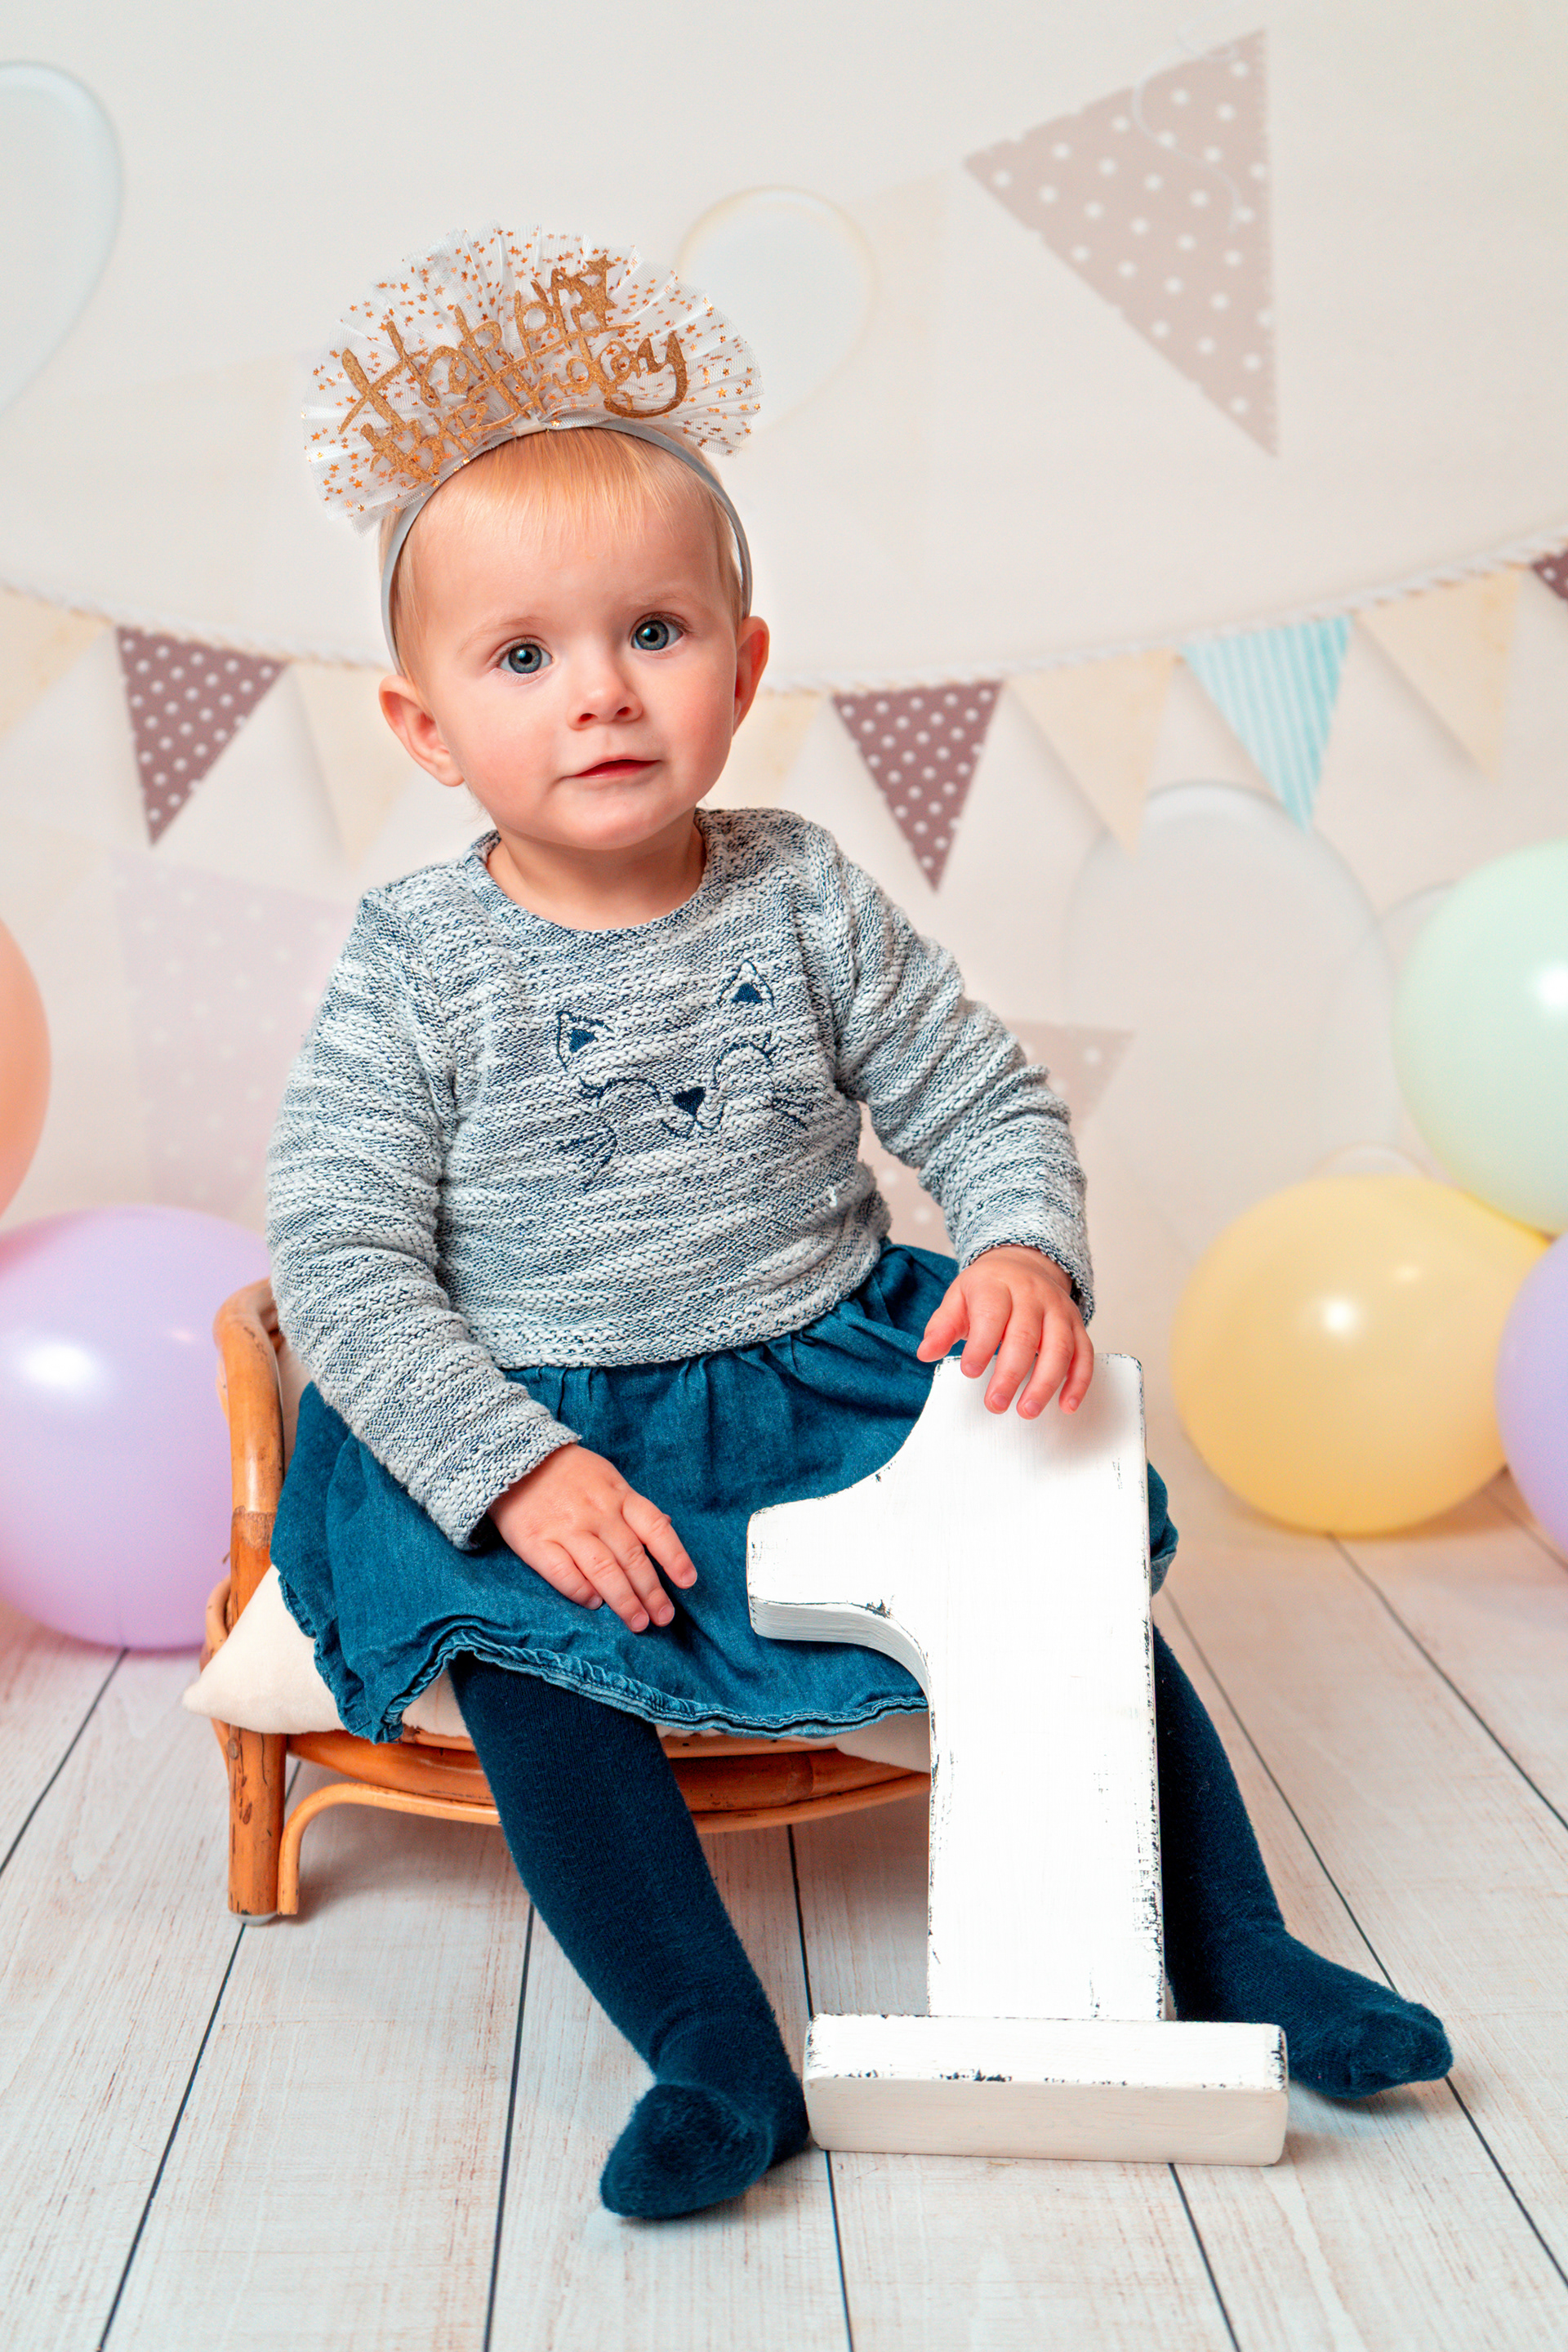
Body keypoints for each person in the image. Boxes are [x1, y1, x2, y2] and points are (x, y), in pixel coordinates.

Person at [269, 228, 1451, 2221]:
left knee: (1065, 1579)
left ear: (744, 666)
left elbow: (980, 1095)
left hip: (807, 1371)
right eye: (524, 657)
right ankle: (708, 2048)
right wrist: (511, 1465)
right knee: (543, 1663)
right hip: (539, 1414)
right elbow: (341, 1253)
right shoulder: (415, 960)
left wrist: (1020, 1247)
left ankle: (1239, 1947)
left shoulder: (803, 892)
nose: (600, 694)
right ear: (424, 727)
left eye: (655, 632)